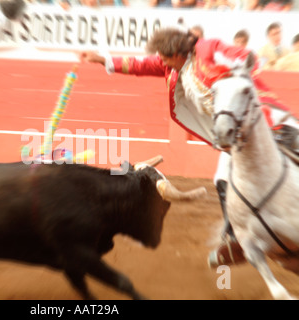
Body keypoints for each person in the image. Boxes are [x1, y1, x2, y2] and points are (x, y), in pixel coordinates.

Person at [79, 27, 297, 268]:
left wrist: (239, 72)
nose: (160, 61)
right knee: (223, 179)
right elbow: (141, 64)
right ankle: (236, 238)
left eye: (164, 57)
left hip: (263, 119)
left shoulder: (209, 48)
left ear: (178, 54)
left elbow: (243, 58)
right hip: (234, 135)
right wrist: (103, 59)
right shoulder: (173, 66)